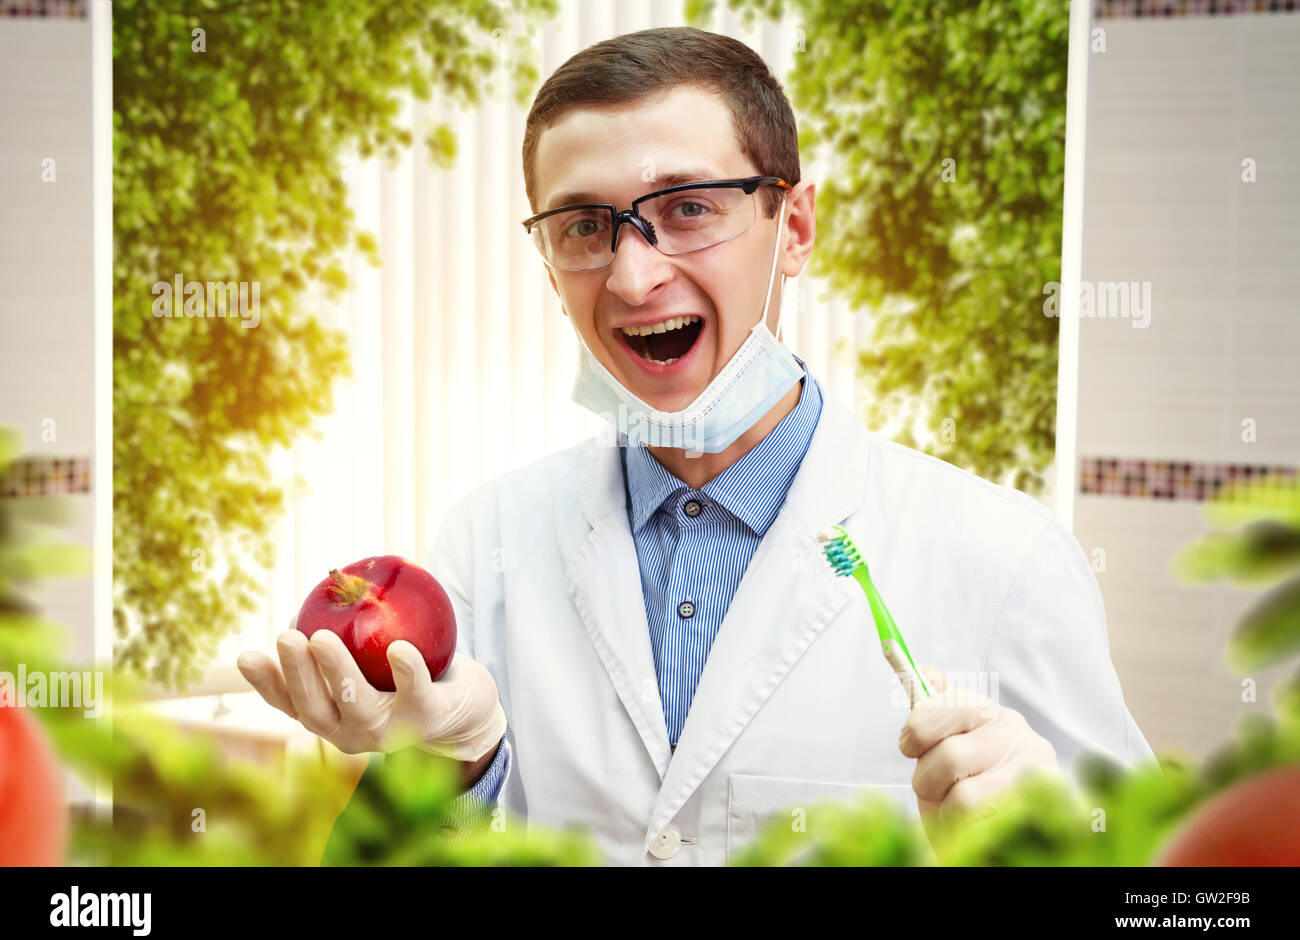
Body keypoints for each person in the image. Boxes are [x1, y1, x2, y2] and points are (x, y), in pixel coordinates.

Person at [238, 25, 1154, 866]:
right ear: (552, 266)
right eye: (586, 228)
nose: (635, 277)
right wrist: (462, 764)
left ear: (790, 229)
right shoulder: (486, 543)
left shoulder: (1003, 560)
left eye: (686, 209)